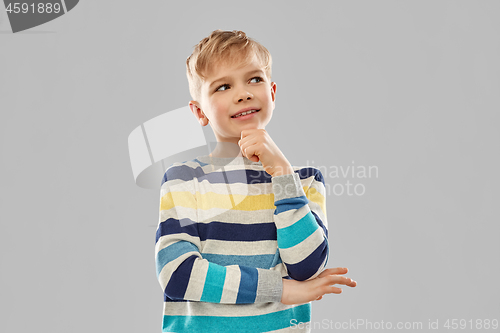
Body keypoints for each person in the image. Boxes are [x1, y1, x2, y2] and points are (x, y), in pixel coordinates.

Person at [155, 29, 357, 333]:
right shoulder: (185, 181)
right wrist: (281, 290)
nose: (243, 93)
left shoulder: (303, 181)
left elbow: (306, 268)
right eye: (223, 86)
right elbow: (179, 274)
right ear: (199, 111)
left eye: (254, 79)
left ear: (272, 93)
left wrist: (283, 174)